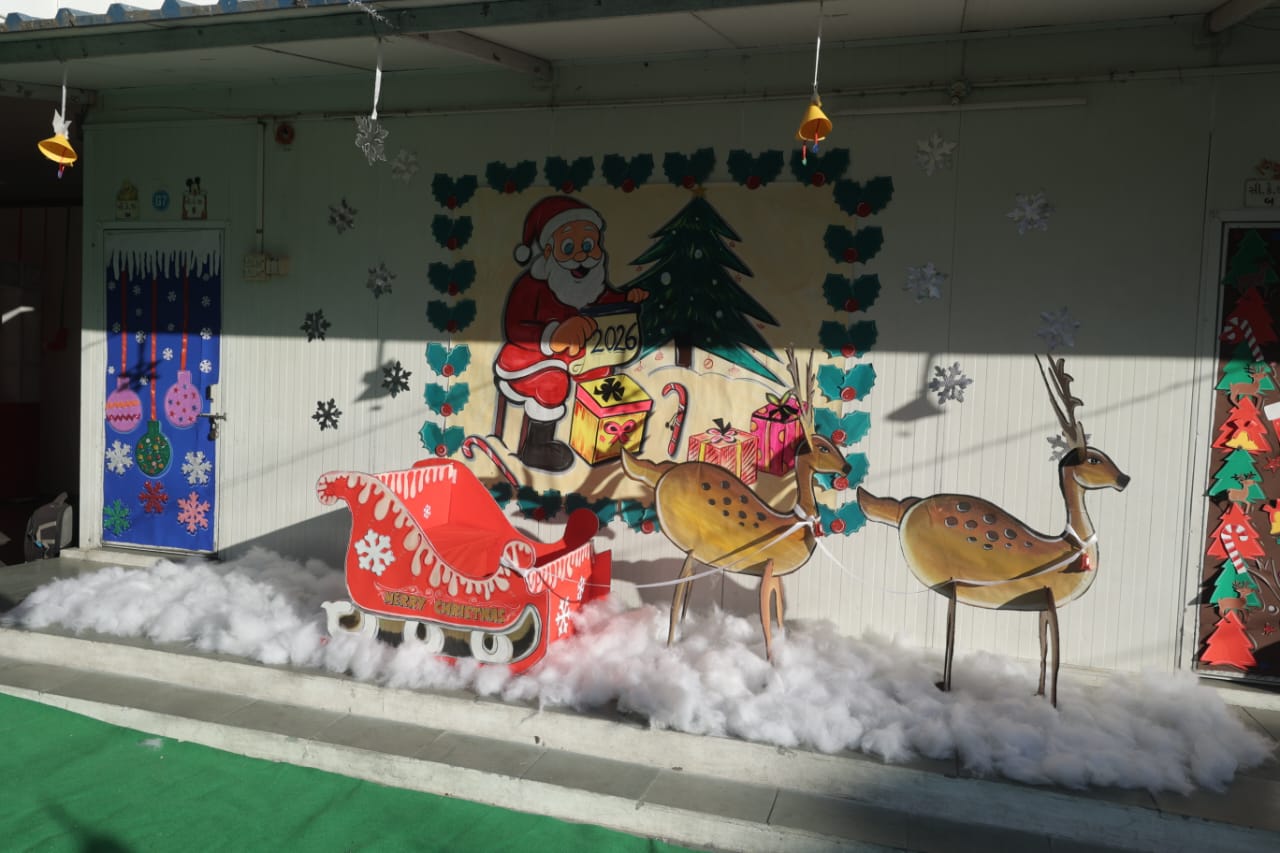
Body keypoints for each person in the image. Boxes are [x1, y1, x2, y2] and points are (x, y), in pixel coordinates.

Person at [494, 195, 647, 472]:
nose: (581, 256)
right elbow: (515, 328)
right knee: (554, 382)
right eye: (569, 247)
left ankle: (598, 437)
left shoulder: (592, 283)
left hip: (572, 357)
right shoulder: (532, 286)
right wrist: (554, 335)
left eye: (588, 246)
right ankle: (536, 446)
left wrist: (626, 298)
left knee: (601, 373)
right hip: (529, 359)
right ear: (549, 251)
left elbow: (605, 300)